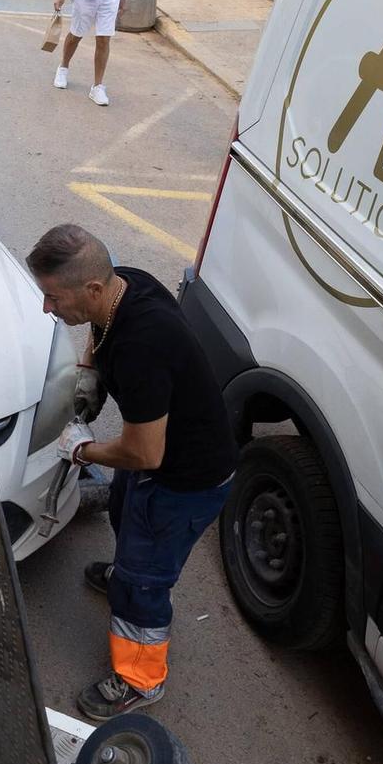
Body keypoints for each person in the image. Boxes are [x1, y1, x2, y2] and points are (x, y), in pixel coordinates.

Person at [26, 223, 235, 721]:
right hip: (162, 462)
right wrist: (90, 373)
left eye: (54, 297)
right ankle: (125, 574)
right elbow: (101, 331)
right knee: (124, 514)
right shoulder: (125, 284)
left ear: (92, 289)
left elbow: (144, 454)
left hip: (186, 478)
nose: (47, 308)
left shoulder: (145, 346)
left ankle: (139, 677)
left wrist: (82, 451)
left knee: (145, 580)